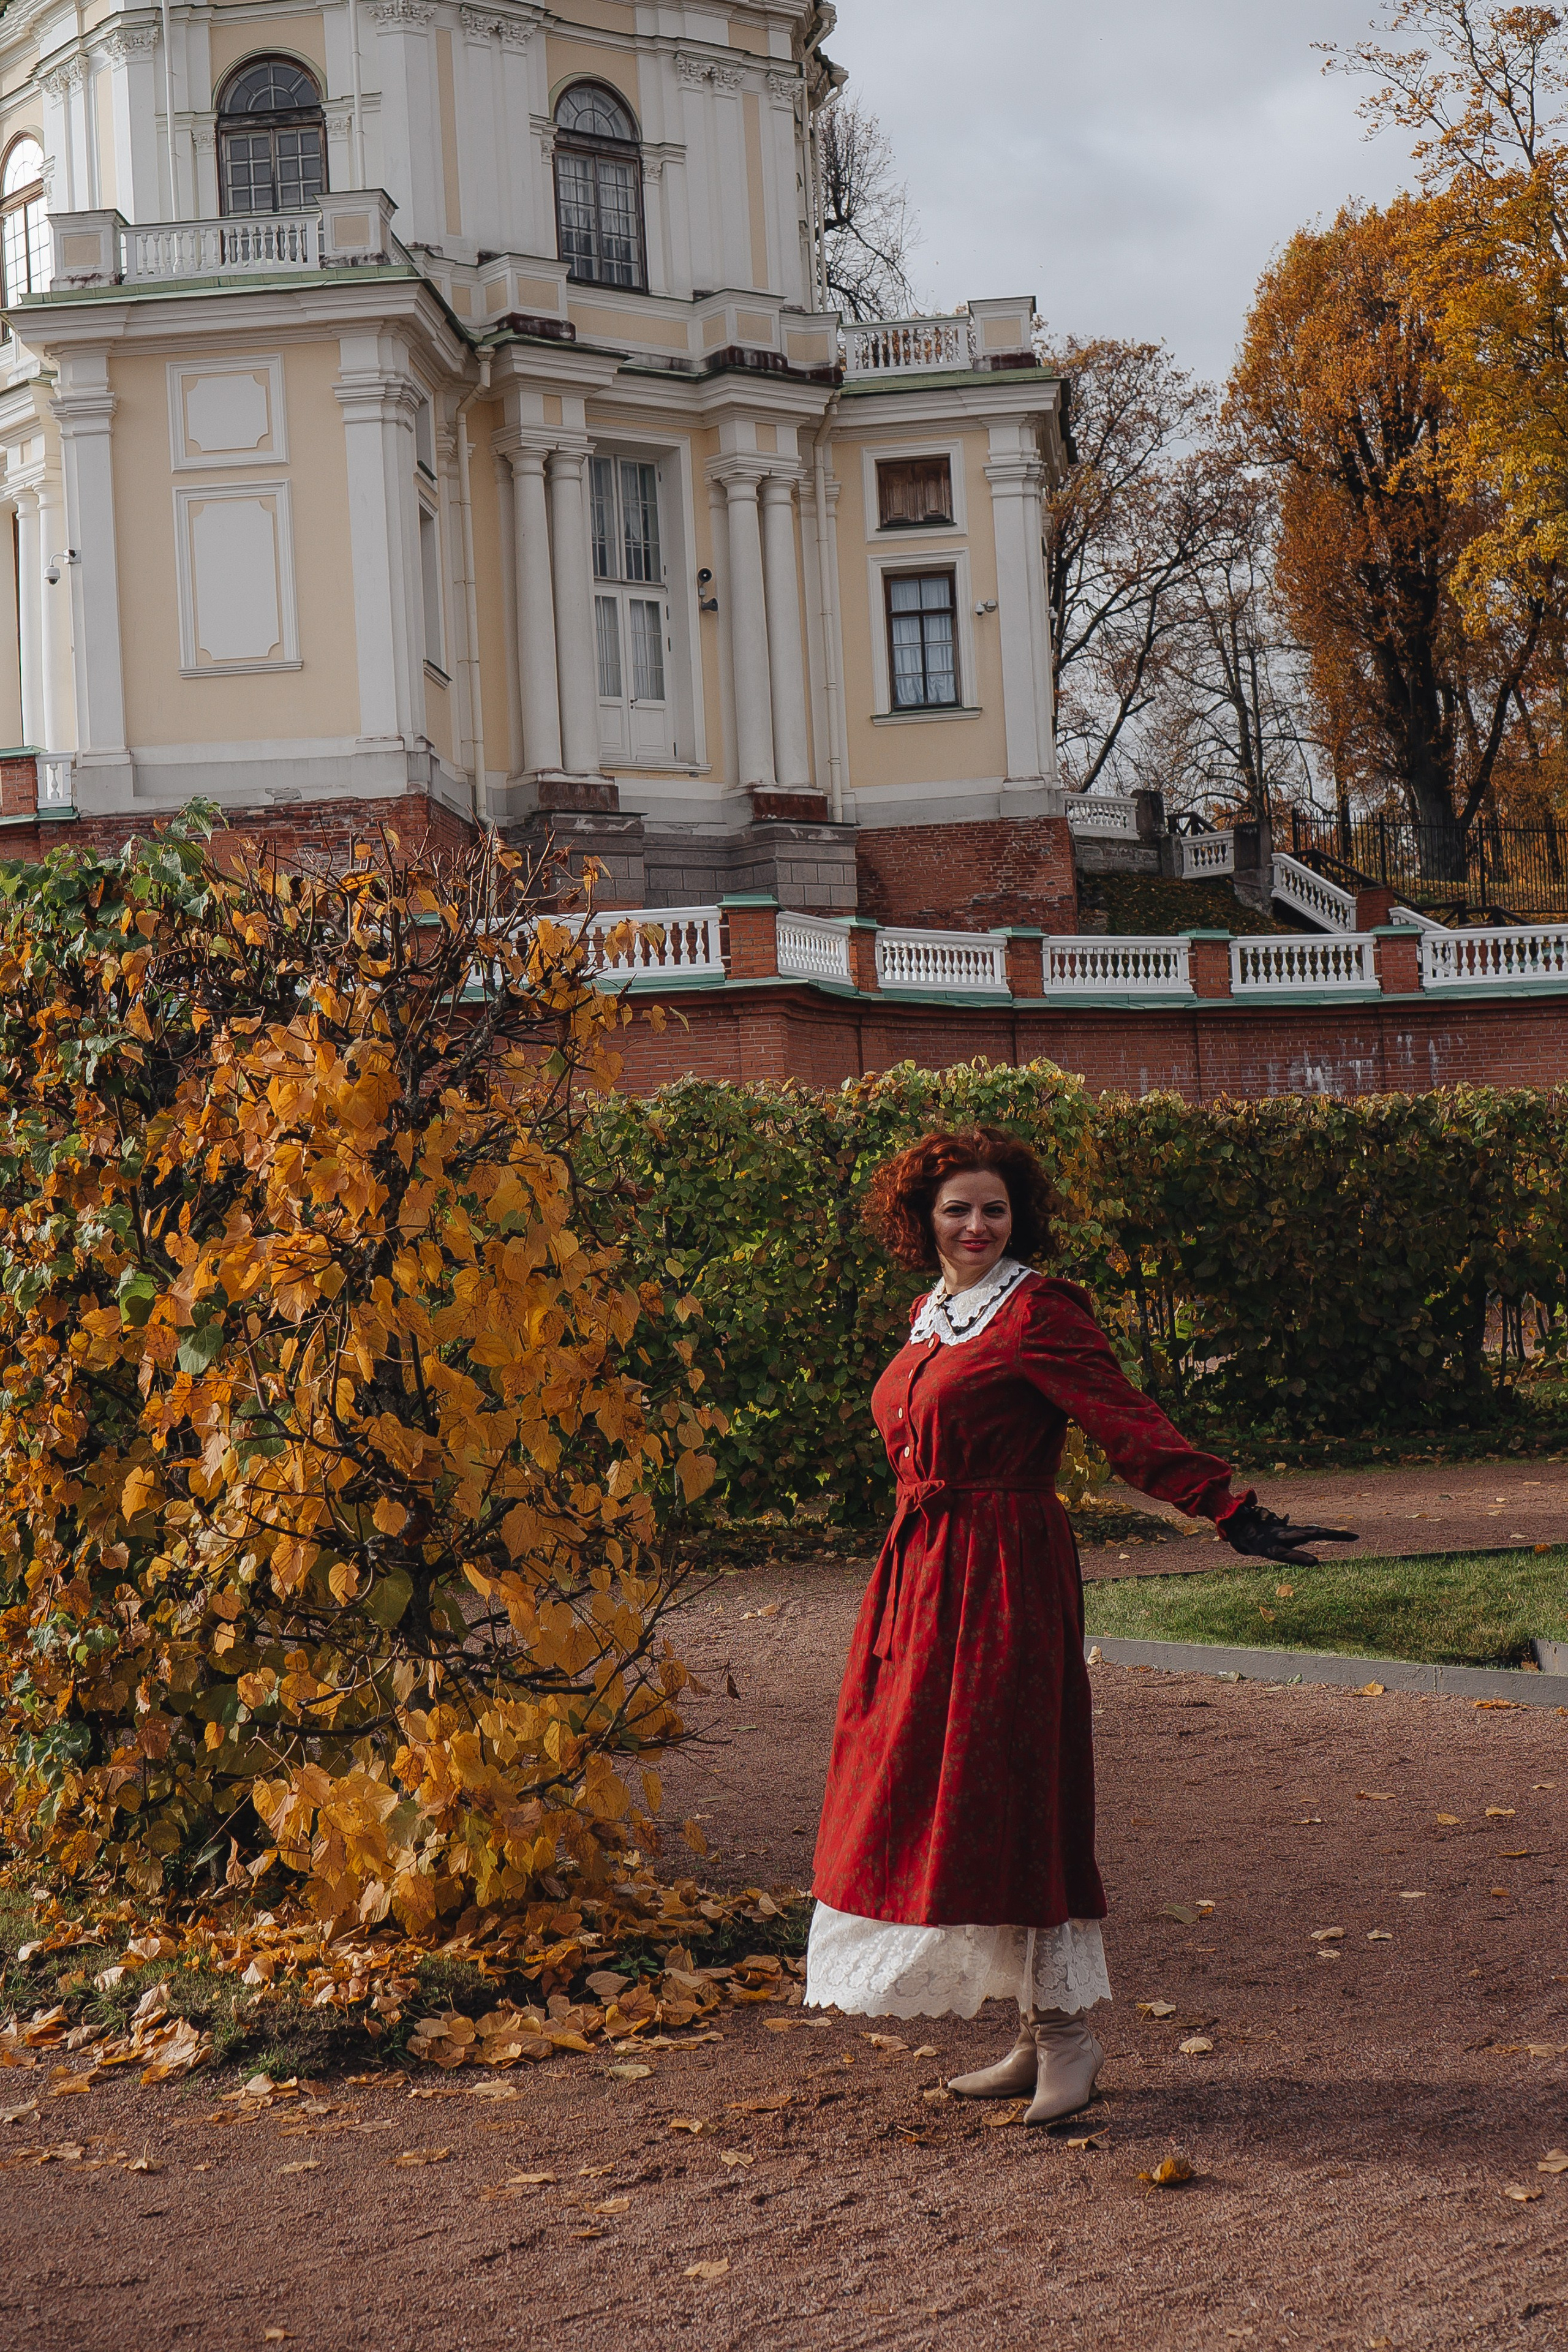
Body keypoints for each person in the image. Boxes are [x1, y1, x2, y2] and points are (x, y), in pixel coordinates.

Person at [804, 1127, 1354, 2124]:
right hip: (920, 1576)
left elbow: (1121, 1417)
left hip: (1004, 1574)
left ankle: (1066, 2035)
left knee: (1017, 1787)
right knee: (925, 1791)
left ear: (1018, 1219)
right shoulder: (932, 1314)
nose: (977, 1225)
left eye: (994, 1210)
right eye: (958, 1208)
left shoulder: (1038, 1311)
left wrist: (1230, 1510)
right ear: (923, 1220)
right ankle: (1029, 2031)